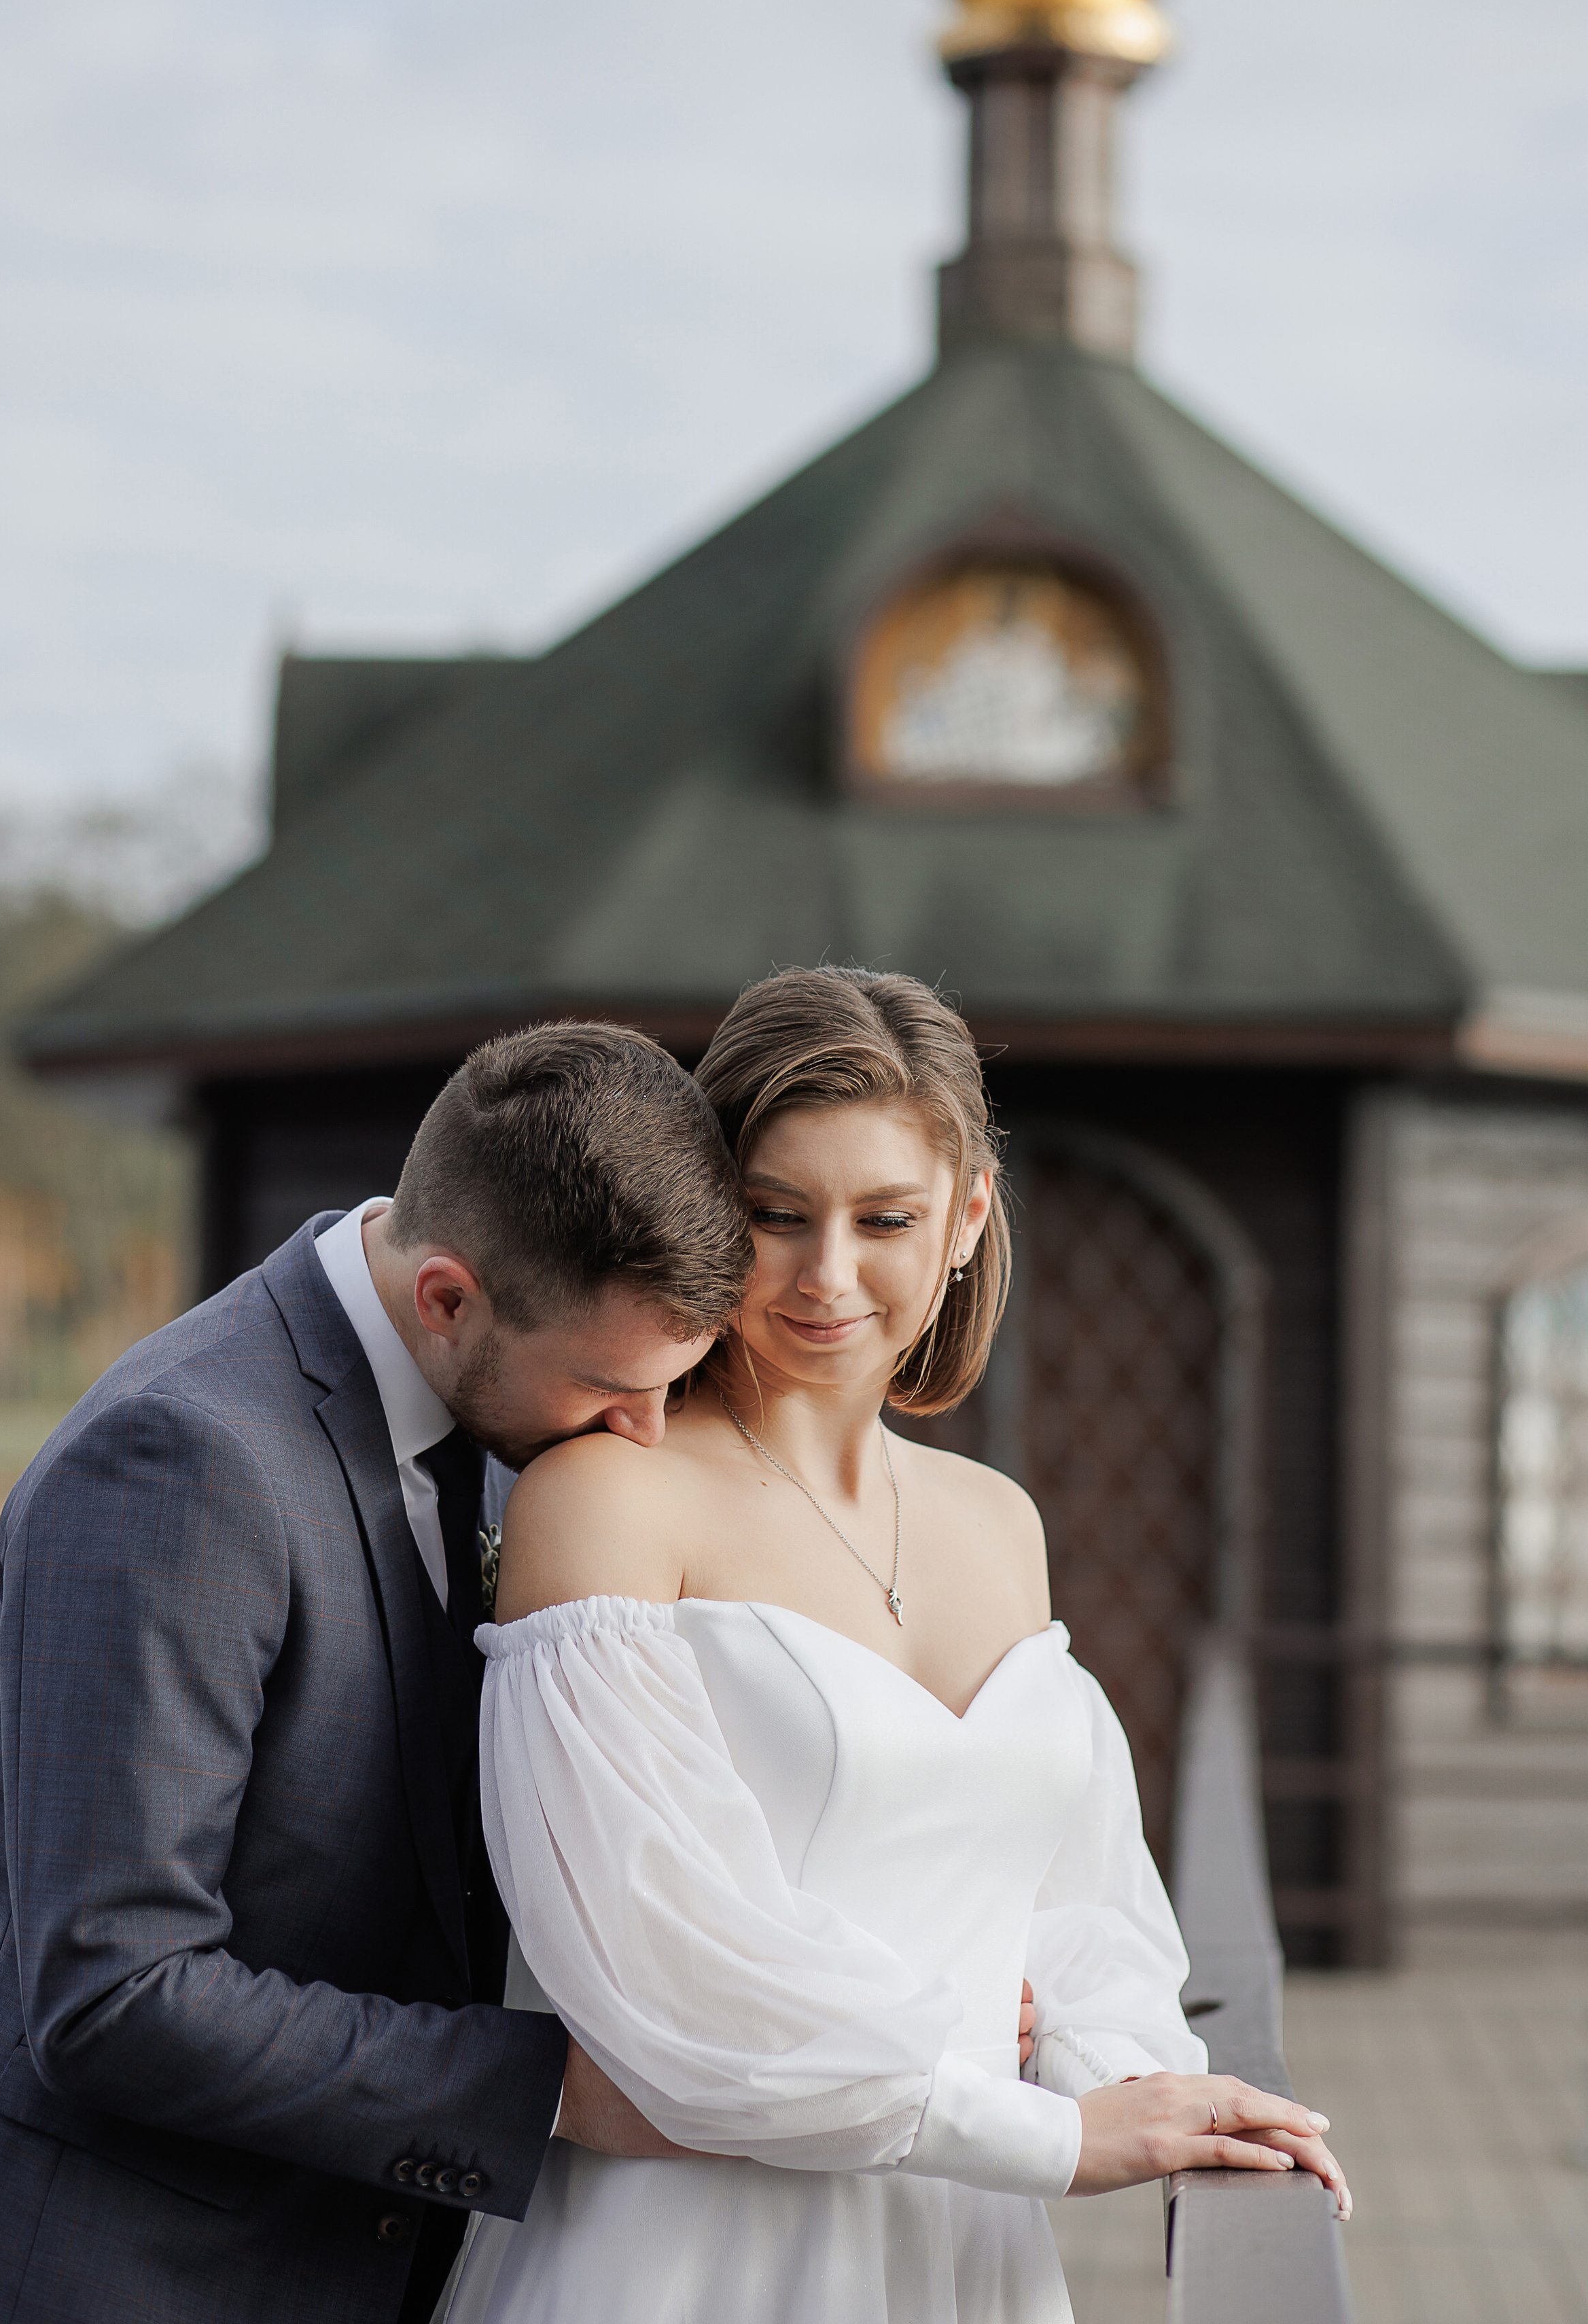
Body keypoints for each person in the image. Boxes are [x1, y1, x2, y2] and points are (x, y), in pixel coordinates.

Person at [440, 967, 1350, 2324]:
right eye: (773, 1215)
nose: (827, 1275)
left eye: (884, 1218)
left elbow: (1076, 1895)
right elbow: (655, 1964)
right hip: (695, 2254)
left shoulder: (999, 1523)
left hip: (963, 2252)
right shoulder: (610, 1501)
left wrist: (1142, 2083)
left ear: (966, 1216)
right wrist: (1049, 2131)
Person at [0, 1023, 755, 2324]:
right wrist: (548, 2088)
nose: (646, 1433)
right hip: (102, 2279)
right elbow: (116, 1989)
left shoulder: (487, 1400)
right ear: (446, 1298)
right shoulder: (178, 1463)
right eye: (613, 1389)